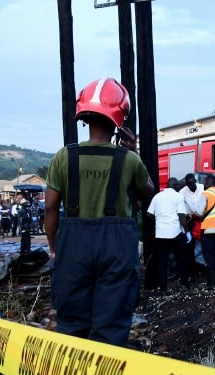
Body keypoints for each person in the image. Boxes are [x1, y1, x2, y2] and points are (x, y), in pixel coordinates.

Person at [44, 76, 155, 346]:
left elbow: (50, 207)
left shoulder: (64, 156)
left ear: (85, 116)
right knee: (112, 325)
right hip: (116, 248)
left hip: (73, 246)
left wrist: (54, 246)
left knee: (71, 324)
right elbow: (148, 190)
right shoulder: (129, 159)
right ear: (121, 118)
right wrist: (133, 150)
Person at [147, 177, 190, 292]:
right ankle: (184, 284)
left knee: (162, 262)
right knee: (182, 259)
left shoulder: (157, 196)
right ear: (175, 186)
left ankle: (163, 288)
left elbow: (149, 214)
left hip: (160, 234)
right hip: (175, 232)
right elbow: (182, 216)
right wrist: (187, 232)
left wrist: (159, 220)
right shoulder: (178, 197)